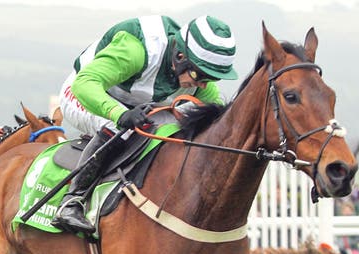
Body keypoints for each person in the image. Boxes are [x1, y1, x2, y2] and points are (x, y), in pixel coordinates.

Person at [51, 14, 238, 234]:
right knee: (120, 129)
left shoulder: (197, 76)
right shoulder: (136, 51)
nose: (202, 85)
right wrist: (119, 114)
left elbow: (221, 118)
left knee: (172, 129)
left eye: (210, 78)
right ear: (180, 56)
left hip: (137, 104)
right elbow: (85, 84)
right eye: (199, 75)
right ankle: (72, 201)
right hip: (85, 93)